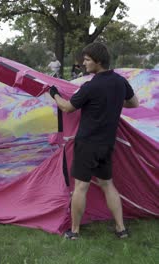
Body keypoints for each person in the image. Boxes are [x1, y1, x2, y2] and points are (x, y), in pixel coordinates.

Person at [48, 42, 139, 240]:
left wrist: (54, 93)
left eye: (88, 60)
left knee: (81, 187)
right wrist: (112, 102)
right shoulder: (119, 82)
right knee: (108, 185)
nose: (84, 63)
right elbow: (134, 103)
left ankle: (74, 231)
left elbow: (67, 107)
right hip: (107, 144)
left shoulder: (90, 86)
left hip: (88, 144)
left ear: (98, 62)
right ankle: (121, 229)